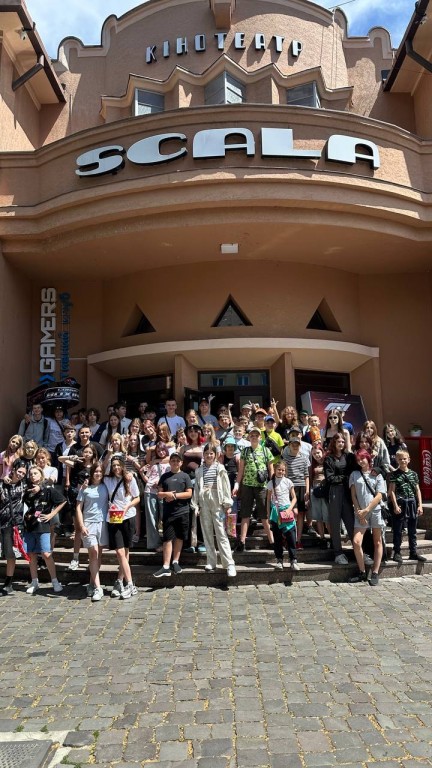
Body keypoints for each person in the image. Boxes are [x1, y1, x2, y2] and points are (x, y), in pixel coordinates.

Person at [193, 445, 236, 577]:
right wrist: (196, 505)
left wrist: (227, 504)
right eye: (206, 453)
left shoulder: (220, 468)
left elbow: (226, 486)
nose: (209, 456)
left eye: (211, 453)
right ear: (203, 455)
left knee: (221, 533)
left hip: (217, 500)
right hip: (204, 500)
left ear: (215, 455)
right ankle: (211, 561)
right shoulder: (199, 470)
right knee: (207, 532)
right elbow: (196, 488)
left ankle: (229, 563)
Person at [22, 466, 66, 595]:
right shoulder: (27, 490)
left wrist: (52, 514)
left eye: (35, 473)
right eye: (31, 474)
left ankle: (55, 581)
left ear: (41, 475)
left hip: (43, 525)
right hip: (29, 526)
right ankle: (34, 582)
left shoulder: (48, 489)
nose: (33, 476)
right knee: (31, 555)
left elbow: (62, 501)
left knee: (46, 553)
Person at [348, 449, 387, 585]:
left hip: (375, 510)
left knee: (377, 542)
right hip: (360, 512)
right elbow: (353, 495)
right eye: (358, 460)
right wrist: (359, 511)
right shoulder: (354, 474)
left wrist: (367, 510)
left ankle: (375, 572)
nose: (360, 461)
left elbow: (379, 495)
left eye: (362, 458)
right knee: (356, 542)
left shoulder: (376, 474)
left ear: (368, 458)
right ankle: (362, 572)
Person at [233, 426, 274, 551]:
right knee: (245, 513)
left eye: (256, 435)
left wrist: (273, 485)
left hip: (262, 486)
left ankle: (272, 541)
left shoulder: (266, 451)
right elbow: (241, 470)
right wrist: (237, 484)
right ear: (249, 437)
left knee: (264, 514)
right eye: (252, 435)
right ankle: (242, 541)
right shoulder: (245, 451)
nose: (254, 437)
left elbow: (271, 469)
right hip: (247, 485)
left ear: (260, 437)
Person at [104, 458, 140, 599]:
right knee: (119, 552)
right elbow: (100, 468)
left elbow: (137, 497)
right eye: (114, 465)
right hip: (114, 517)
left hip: (128, 516)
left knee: (125, 551)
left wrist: (127, 506)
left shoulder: (129, 479)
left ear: (122, 466)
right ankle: (130, 584)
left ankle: (120, 581)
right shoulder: (107, 480)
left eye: (118, 465)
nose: (116, 467)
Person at [60, 443, 99, 570]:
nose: (87, 454)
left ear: (93, 454)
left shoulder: (95, 466)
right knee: (78, 529)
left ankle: (91, 559)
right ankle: (75, 558)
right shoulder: (77, 464)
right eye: (85, 452)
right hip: (77, 498)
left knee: (89, 530)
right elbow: (60, 459)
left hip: (91, 501)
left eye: (89, 452)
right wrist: (71, 457)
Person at [153, 452, 193, 577]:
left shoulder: (185, 476)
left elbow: (189, 494)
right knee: (167, 538)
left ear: (181, 463)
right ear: (170, 462)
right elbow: (159, 494)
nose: (175, 462)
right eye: (173, 460)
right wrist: (167, 494)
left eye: (177, 460)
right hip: (168, 512)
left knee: (179, 537)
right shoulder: (165, 476)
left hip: (183, 511)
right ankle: (166, 566)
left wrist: (174, 496)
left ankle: (175, 562)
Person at [76, 463, 109, 601]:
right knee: (93, 553)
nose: (98, 474)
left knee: (98, 555)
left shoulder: (106, 486)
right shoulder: (85, 488)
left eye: (100, 471)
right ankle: (98, 588)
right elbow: (78, 508)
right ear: (91, 473)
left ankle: (92, 583)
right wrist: (81, 525)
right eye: (96, 471)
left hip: (103, 523)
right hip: (89, 524)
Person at [324, 433, 356, 565]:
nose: (341, 444)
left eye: (343, 441)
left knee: (350, 522)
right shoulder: (329, 458)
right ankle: (338, 553)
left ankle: (358, 550)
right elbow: (330, 478)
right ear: (334, 443)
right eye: (339, 442)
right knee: (335, 524)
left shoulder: (348, 457)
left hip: (347, 492)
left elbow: (355, 469)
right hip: (335, 492)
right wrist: (345, 478)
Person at [388, 449, 426, 564]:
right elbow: (392, 491)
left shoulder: (413, 474)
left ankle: (413, 552)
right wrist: (395, 505)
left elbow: (417, 490)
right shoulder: (394, 474)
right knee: (398, 529)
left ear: (409, 459)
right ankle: (397, 552)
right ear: (397, 460)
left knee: (412, 530)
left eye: (405, 458)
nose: (403, 461)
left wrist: (420, 505)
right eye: (400, 459)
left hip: (412, 502)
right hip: (401, 502)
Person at [0, 458, 27, 595]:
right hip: (1, 520)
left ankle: (8, 583)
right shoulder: (2, 484)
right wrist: (2, 478)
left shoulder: (24, 485)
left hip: (14, 523)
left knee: (11, 553)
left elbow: (40, 481)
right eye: (19, 471)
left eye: (24, 473)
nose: (21, 474)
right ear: (14, 469)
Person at [266, 461, 299, 571]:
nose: (281, 471)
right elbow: (268, 500)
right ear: (275, 470)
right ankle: (279, 559)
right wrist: (268, 514)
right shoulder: (271, 483)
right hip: (276, 513)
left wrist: (290, 509)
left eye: (283, 470)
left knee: (291, 536)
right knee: (277, 537)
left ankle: (293, 560)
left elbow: (294, 498)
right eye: (279, 469)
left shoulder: (288, 482)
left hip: (287, 511)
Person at [140, 442, 170, 551]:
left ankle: (167, 542)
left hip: (163, 492)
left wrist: (161, 483)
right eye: (158, 451)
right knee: (151, 518)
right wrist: (142, 473)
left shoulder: (170, 463)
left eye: (162, 450)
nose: (161, 452)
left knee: (165, 517)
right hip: (150, 490)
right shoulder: (153, 463)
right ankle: (154, 543)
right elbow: (147, 477)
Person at [282, 435, 310, 547]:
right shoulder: (285, 458)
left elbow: (306, 475)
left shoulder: (304, 458)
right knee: (292, 513)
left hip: (301, 487)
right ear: (289, 446)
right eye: (293, 444)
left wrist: (307, 490)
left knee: (301, 514)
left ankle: (298, 540)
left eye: (297, 444)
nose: (295, 446)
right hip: (290, 488)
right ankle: (288, 537)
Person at [309, 442, 331, 545]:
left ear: (322, 452)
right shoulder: (312, 465)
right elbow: (310, 478)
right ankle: (322, 538)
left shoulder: (328, 461)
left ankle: (332, 538)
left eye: (318, 452)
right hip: (315, 489)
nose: (316, 455)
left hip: (326, 490)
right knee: (318, 517)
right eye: (314, 454)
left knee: (327, 517)